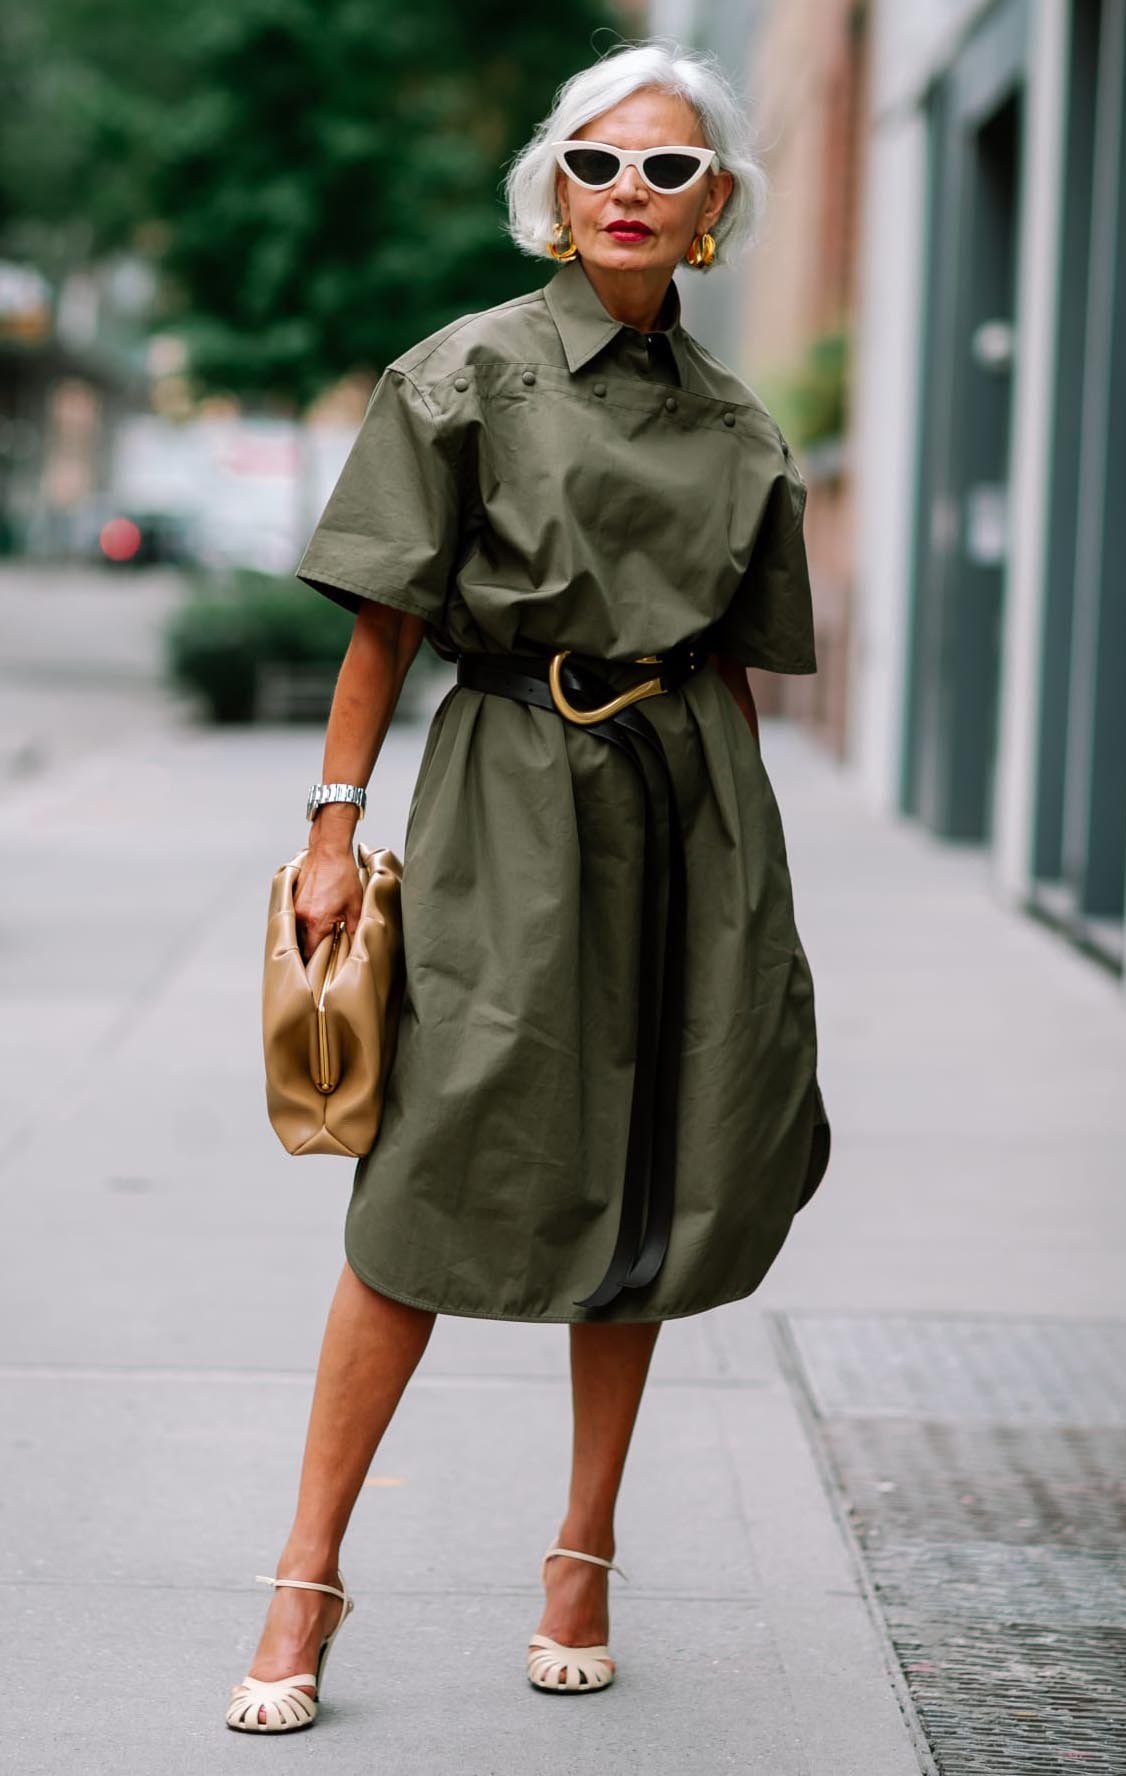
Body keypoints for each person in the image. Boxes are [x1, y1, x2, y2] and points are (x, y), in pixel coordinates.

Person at [225, 37, 832, 1733]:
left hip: (694, 799)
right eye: (598, 160)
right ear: (552, 192)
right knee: (435, 1159)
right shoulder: (467, 374)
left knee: (658, 1160)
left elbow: (741, 666)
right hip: (508, 789)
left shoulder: (736, 421)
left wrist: (750, 890)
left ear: (714, 209)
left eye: (668, 168)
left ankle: (582, 1552)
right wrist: (335, 830)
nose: (629, 189)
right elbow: (384, 623)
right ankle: (306, 1575)